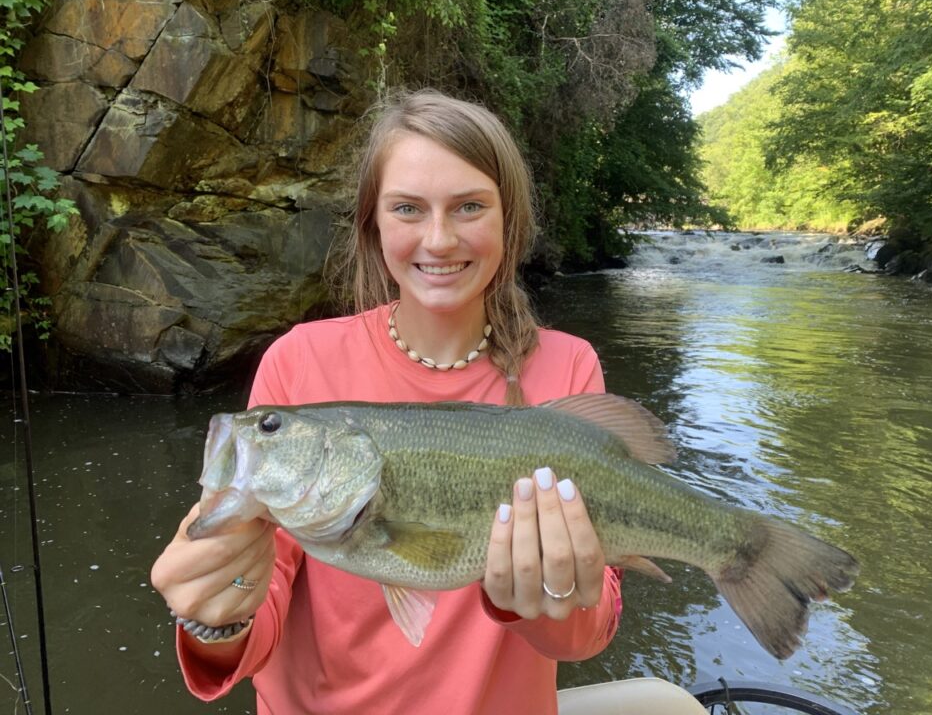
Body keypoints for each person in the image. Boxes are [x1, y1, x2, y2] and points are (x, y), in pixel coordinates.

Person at [150, 89, 624, 714]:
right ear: (373, 223)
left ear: (509, 221)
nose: (438, 238)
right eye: (407, 208)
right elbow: (257, 621)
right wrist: (217, 616)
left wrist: (540, 598)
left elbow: (588, 631)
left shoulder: (568, 366)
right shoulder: (300, 362)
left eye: (469, 207)